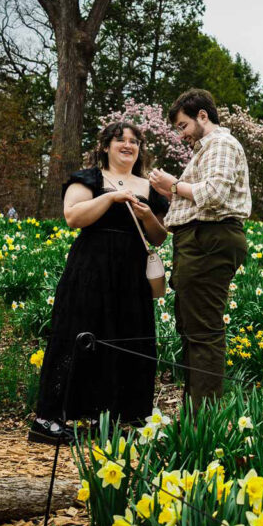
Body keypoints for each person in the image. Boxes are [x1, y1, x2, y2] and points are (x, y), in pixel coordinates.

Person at [29, 121, 169, 444]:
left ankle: (117, 418)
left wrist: (146, 213)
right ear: (105, 147)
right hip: (91, 271)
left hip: (131, 276)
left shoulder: (148, 187)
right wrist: (110, 199)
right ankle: (48, 419)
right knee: (77, 335)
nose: (127, 145)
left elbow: (159, 236)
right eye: (120, 140)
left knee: (128, 337)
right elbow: (72, 216)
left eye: (134, 141)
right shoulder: (89, 178)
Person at [149, 89, 251, 414]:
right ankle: (197, 416)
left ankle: (204, 424)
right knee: (193, 328)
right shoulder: (204, 150)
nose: (181, 134)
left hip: (209, 240)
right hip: (200, 240)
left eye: (183, 125)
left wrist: (172, 184)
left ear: (202, 116)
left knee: (203, 331)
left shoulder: (220, 143)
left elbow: (213, 194)